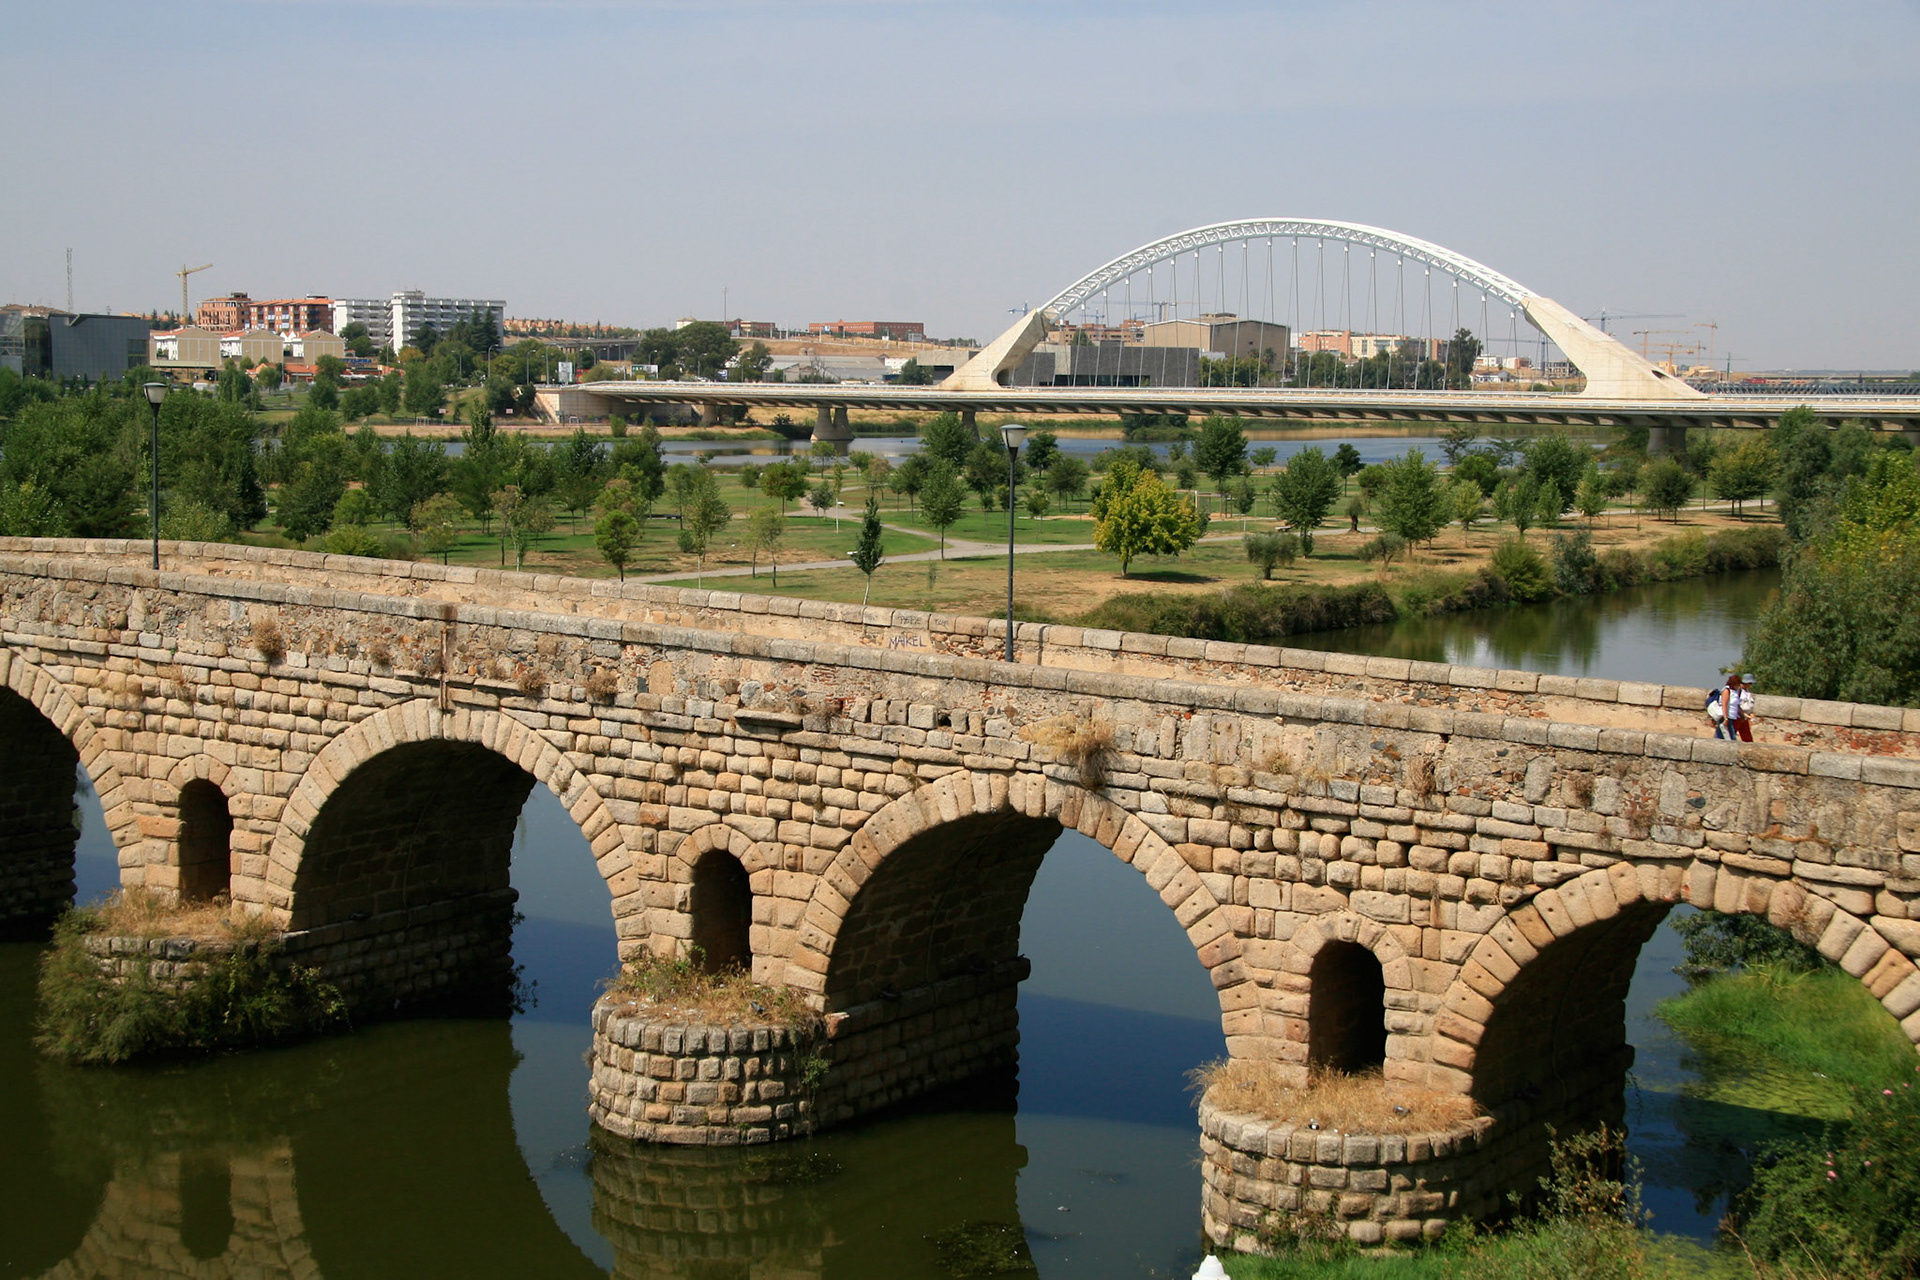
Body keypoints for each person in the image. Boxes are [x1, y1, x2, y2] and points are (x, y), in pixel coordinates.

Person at [1720, 672, 1756, 742]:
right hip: (1737, 716)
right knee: (1731, 735)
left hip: (1742, 716)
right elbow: (1734, 704)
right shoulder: (1737, 691)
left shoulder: (1745, 691)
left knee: (1746, 737)